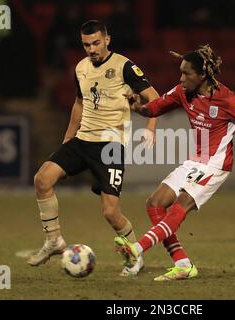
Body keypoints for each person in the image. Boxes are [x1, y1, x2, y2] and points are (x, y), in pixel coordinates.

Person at [114, 44, 235, 281]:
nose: (181, 78)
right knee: (154, 204)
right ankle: (183, 264)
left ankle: (136, 249)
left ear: (202, 75)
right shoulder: (182, 92)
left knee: (181, 205)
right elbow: (153, 109)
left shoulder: (229, 100)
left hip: (216, 165)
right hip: (194, 162)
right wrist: (138, 106)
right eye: (181, 72)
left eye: (186, 73)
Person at [27, 20, 159, 277]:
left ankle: (135, 255)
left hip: (111, 144)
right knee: (42, 179)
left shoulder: (125, 66)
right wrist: (68, 138)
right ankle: (54, 240)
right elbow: (79, 103)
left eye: (96, 43)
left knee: (110, 212)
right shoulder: (81, 68)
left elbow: (154, 98)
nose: (91, 49)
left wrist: (150, 129)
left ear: (107, 40)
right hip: (83, 139)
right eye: (86, 44)